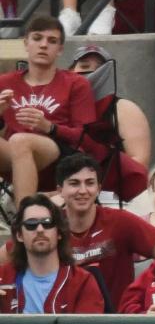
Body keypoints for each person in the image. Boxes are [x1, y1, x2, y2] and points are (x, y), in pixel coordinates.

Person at [0, 15, 96, 204]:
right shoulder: (5, 82)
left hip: (59, 150)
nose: (43, 45)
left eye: (52, 41)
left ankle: (25, 218)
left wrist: (49, 127)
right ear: (26, 43)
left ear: (60, 49)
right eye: (37, 38)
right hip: (14, 154)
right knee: (18, 142)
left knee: (20, 141)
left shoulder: (76, 83)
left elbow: (86, 136)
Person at [57, 151, 155, 310]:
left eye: (90, 183)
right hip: (65, 322)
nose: (83, 191)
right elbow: (12, 256)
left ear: (98, 189)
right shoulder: (47, 226)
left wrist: (145, 289)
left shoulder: (121, 221)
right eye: (74, 183)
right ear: (60, 190)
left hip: (116, 322)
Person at [0, 194, 104, 314]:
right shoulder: (3, 277)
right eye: (31, 224)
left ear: (59, 232)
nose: (40, 229)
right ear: (19, 235)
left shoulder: (82, 282)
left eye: (47, 223)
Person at [69, 43, 151, 169]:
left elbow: (140, 162)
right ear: (70, 71)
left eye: (101, 68)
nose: (94, 72)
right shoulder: (61, 105)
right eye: (84, 66)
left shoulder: (124, 109)